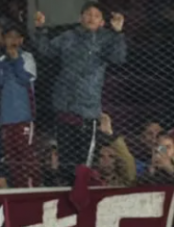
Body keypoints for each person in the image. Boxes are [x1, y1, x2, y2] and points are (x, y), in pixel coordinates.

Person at [33, 3, 126, 184]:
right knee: (65, 159)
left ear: (102, 22)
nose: (91, 18)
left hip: (88, 108)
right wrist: (40, 29)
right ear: (80, 18)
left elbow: (118, 58)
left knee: (84, 163)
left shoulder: (107, 38)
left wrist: (118, 33)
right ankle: (66, 195)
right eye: (88, 14)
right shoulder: (68, 36)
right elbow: (47, 51)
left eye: (96, 15)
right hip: (64, 103)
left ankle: (81, 198)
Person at [0, 23, 37, 188]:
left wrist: (15, 59)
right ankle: (17, 190)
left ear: (21, 40)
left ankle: (30, 189)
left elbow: (26, 79)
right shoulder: (1, 60)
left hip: (24, 117)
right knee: (11, 157)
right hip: (5, 119)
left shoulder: (27, 57)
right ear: (3, 40)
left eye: (16, 36)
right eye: (9, 37)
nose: (12, 40)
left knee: (26, 156)